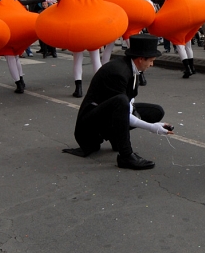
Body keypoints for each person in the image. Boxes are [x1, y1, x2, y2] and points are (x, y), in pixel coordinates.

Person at [62, 34, 172, 170]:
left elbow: (129, 104)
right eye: (151, 60)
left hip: (108, 114)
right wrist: (151, 127)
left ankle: (115, 137)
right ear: (140, 59)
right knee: (121, 101)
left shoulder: (133, 68)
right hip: (89, 128)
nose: (152, 64)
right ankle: (125, 156)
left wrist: (153, 123)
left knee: (156, 111)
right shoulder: (118, 72)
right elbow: (122, 108)